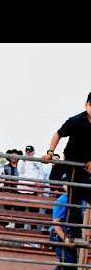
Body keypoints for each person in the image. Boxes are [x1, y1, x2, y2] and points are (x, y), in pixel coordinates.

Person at [42, 92, 91, 242]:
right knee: (74, 197)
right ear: (86, 105)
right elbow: (57, 134)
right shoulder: (76, 120)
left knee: (81, 194)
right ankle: (75, 235)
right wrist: (50, 152)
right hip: (73, 161)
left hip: (88, 163)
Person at [38, 184, 85, 270]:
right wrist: (65, 239)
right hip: (59, 235)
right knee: (67, 263)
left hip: (71, 236)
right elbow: (56, 223)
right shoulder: (62, 200)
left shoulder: (80, 200)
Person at [17, 145, 46, 230]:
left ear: (33, 152)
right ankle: (19, 230)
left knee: (34, 213)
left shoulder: (37, 162)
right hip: (21, 190)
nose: (29, 153)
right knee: (20, 213)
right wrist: (25, 160)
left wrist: (39, 181)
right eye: (27, 151)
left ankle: (33, 230)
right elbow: (20, 171)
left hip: (33, 190)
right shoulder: (21, 161)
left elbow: (41, 173)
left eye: (30, 151)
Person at [0, 149, 23, 227]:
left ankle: (18, 227)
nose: (13, 157)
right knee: (6, 209)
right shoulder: (4, 167)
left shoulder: (22, 167)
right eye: (12, 155)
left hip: (19, 191)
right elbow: (1, 178)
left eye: (16, 155)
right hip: (7, 190)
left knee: (19, 209)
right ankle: (4, 226)